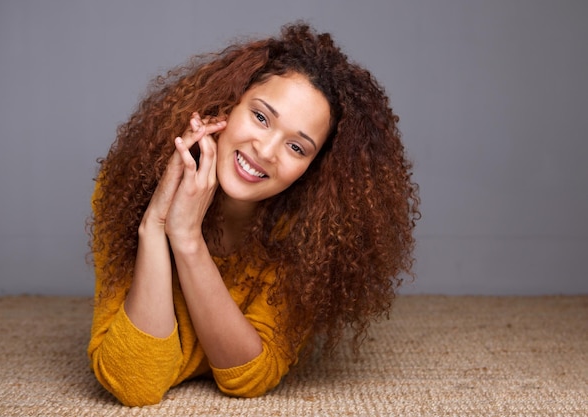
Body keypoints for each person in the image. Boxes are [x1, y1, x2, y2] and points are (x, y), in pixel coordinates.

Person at [87, 22, 420, 406]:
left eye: (297, 147)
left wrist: (187, 239)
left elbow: (248, 377)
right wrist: (153, 226)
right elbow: (134, 381)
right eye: (261, 118)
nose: (265, 150)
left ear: (314, 169)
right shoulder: (127, 183)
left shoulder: (310, 238)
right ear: (226, 103)